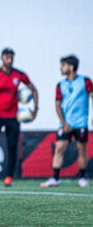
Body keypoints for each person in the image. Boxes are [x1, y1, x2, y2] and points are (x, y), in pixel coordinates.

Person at [0, 48, 38, 187]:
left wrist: (34, 110)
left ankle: (8, 178)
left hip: (13, 117)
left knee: (12, 147)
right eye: (7, 57)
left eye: (12, 57)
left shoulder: (19, 74)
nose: (10, 59)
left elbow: (34, 89)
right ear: (2, 58)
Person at [41, 55, 92, 188]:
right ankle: (55, 178)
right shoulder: (60, 85)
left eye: (63, 65)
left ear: (71, 67)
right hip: (65, 124)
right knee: (59, 148)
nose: (60, 68)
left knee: (82, 150)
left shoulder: (85, 81)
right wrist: (63, 122)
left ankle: (82, 178)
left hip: (81, 123)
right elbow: (57, 105)